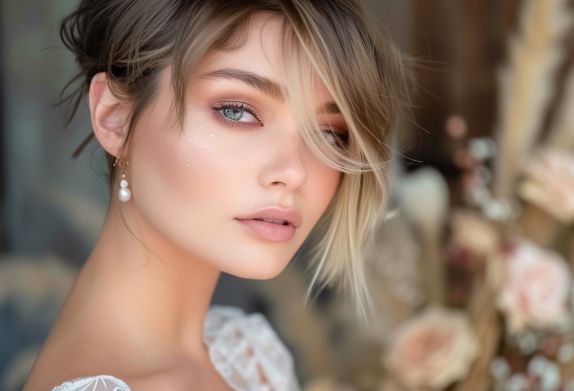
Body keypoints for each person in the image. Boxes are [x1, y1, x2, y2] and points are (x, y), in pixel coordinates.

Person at [24, 0, 410, 390]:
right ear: (115, 117)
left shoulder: (245, 354)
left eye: (330, 133)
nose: (294, 172)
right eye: (237, 111)